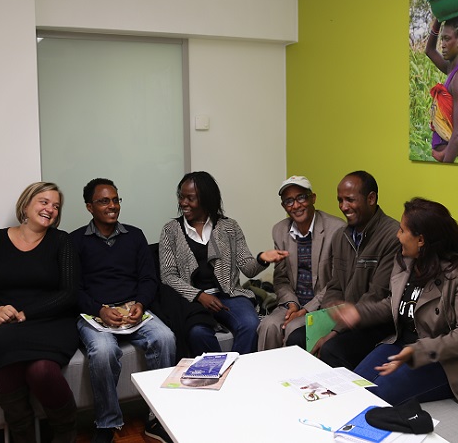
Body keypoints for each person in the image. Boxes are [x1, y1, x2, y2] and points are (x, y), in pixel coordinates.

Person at [334, 198, 458, 406]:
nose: (398, 236)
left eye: (402, 231)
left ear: (421, 240)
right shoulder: (407, 261)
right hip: (402, 345)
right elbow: (393, 304)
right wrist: (359, 313)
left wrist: (418, 351)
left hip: (447, 360)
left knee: (376, 398)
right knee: (353, 387)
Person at [0, 182, 79, 443]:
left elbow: (68, 294)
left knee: (41, 370)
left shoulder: (61, 240)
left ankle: (65, 432)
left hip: (51, 322)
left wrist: (23, 313)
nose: (50, 209)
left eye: (56, 206)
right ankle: (23, 436)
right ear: (26, 204)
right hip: (7, 325)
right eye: (44, 202)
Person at [71, 178, 175, 443]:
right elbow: (73, 290)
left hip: (133, 310)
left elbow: (149, 279)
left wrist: (140, 304)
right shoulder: (75, 242)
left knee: (165, 338)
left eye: (116, 199)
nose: (112, 206)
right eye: (104, 201)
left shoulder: (135, 236)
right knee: (104, 351)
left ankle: (157, 416)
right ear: (89, 207)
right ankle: (107, 422)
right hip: (95, 314)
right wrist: (100, 310)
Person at [158, 171, 288, 356]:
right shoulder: (170, 230)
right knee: (197, 333)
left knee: (250, 324)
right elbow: (168, 276)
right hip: (192, 301)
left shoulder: (229, 227)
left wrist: (261, 259)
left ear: (206, 199)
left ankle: (235, 375)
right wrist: (200, 295)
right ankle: (218, 373)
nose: (183, 203)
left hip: (229, 296)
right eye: (181, 196)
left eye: (190, 198)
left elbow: (248, 268)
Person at [289, 171, 399, 369]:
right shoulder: (341, 236)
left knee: (331, 349)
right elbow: (334, 286)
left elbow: (376, 295)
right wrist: (331, 314)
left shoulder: (392, 236)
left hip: (374, 322)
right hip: (344, 320)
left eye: (349, 200)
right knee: (296, 341)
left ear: (371, 198)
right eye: (340, 200)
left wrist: (335, 331)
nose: (343, 207)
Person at [257, 175, 345, 351]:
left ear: (313, 198)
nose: (295, 205)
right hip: (292, 303)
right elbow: (281, 279)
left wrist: (305, 310)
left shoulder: (337, 229)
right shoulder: (280, 230)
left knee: (292, 329)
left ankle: (290, 378)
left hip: (322, 305)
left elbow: (337, 281)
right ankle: (266, 376)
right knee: (268, 326)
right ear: (284, 206)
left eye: (301, 197)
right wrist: (292, 304)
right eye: (289, 201)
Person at [426, 15, 458, 163]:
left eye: (447, 39)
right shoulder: (451, 69)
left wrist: (445, 168)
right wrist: (438, 19)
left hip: (451, 158)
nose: (443, 44)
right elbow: (430, 51)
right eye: (442, 39)